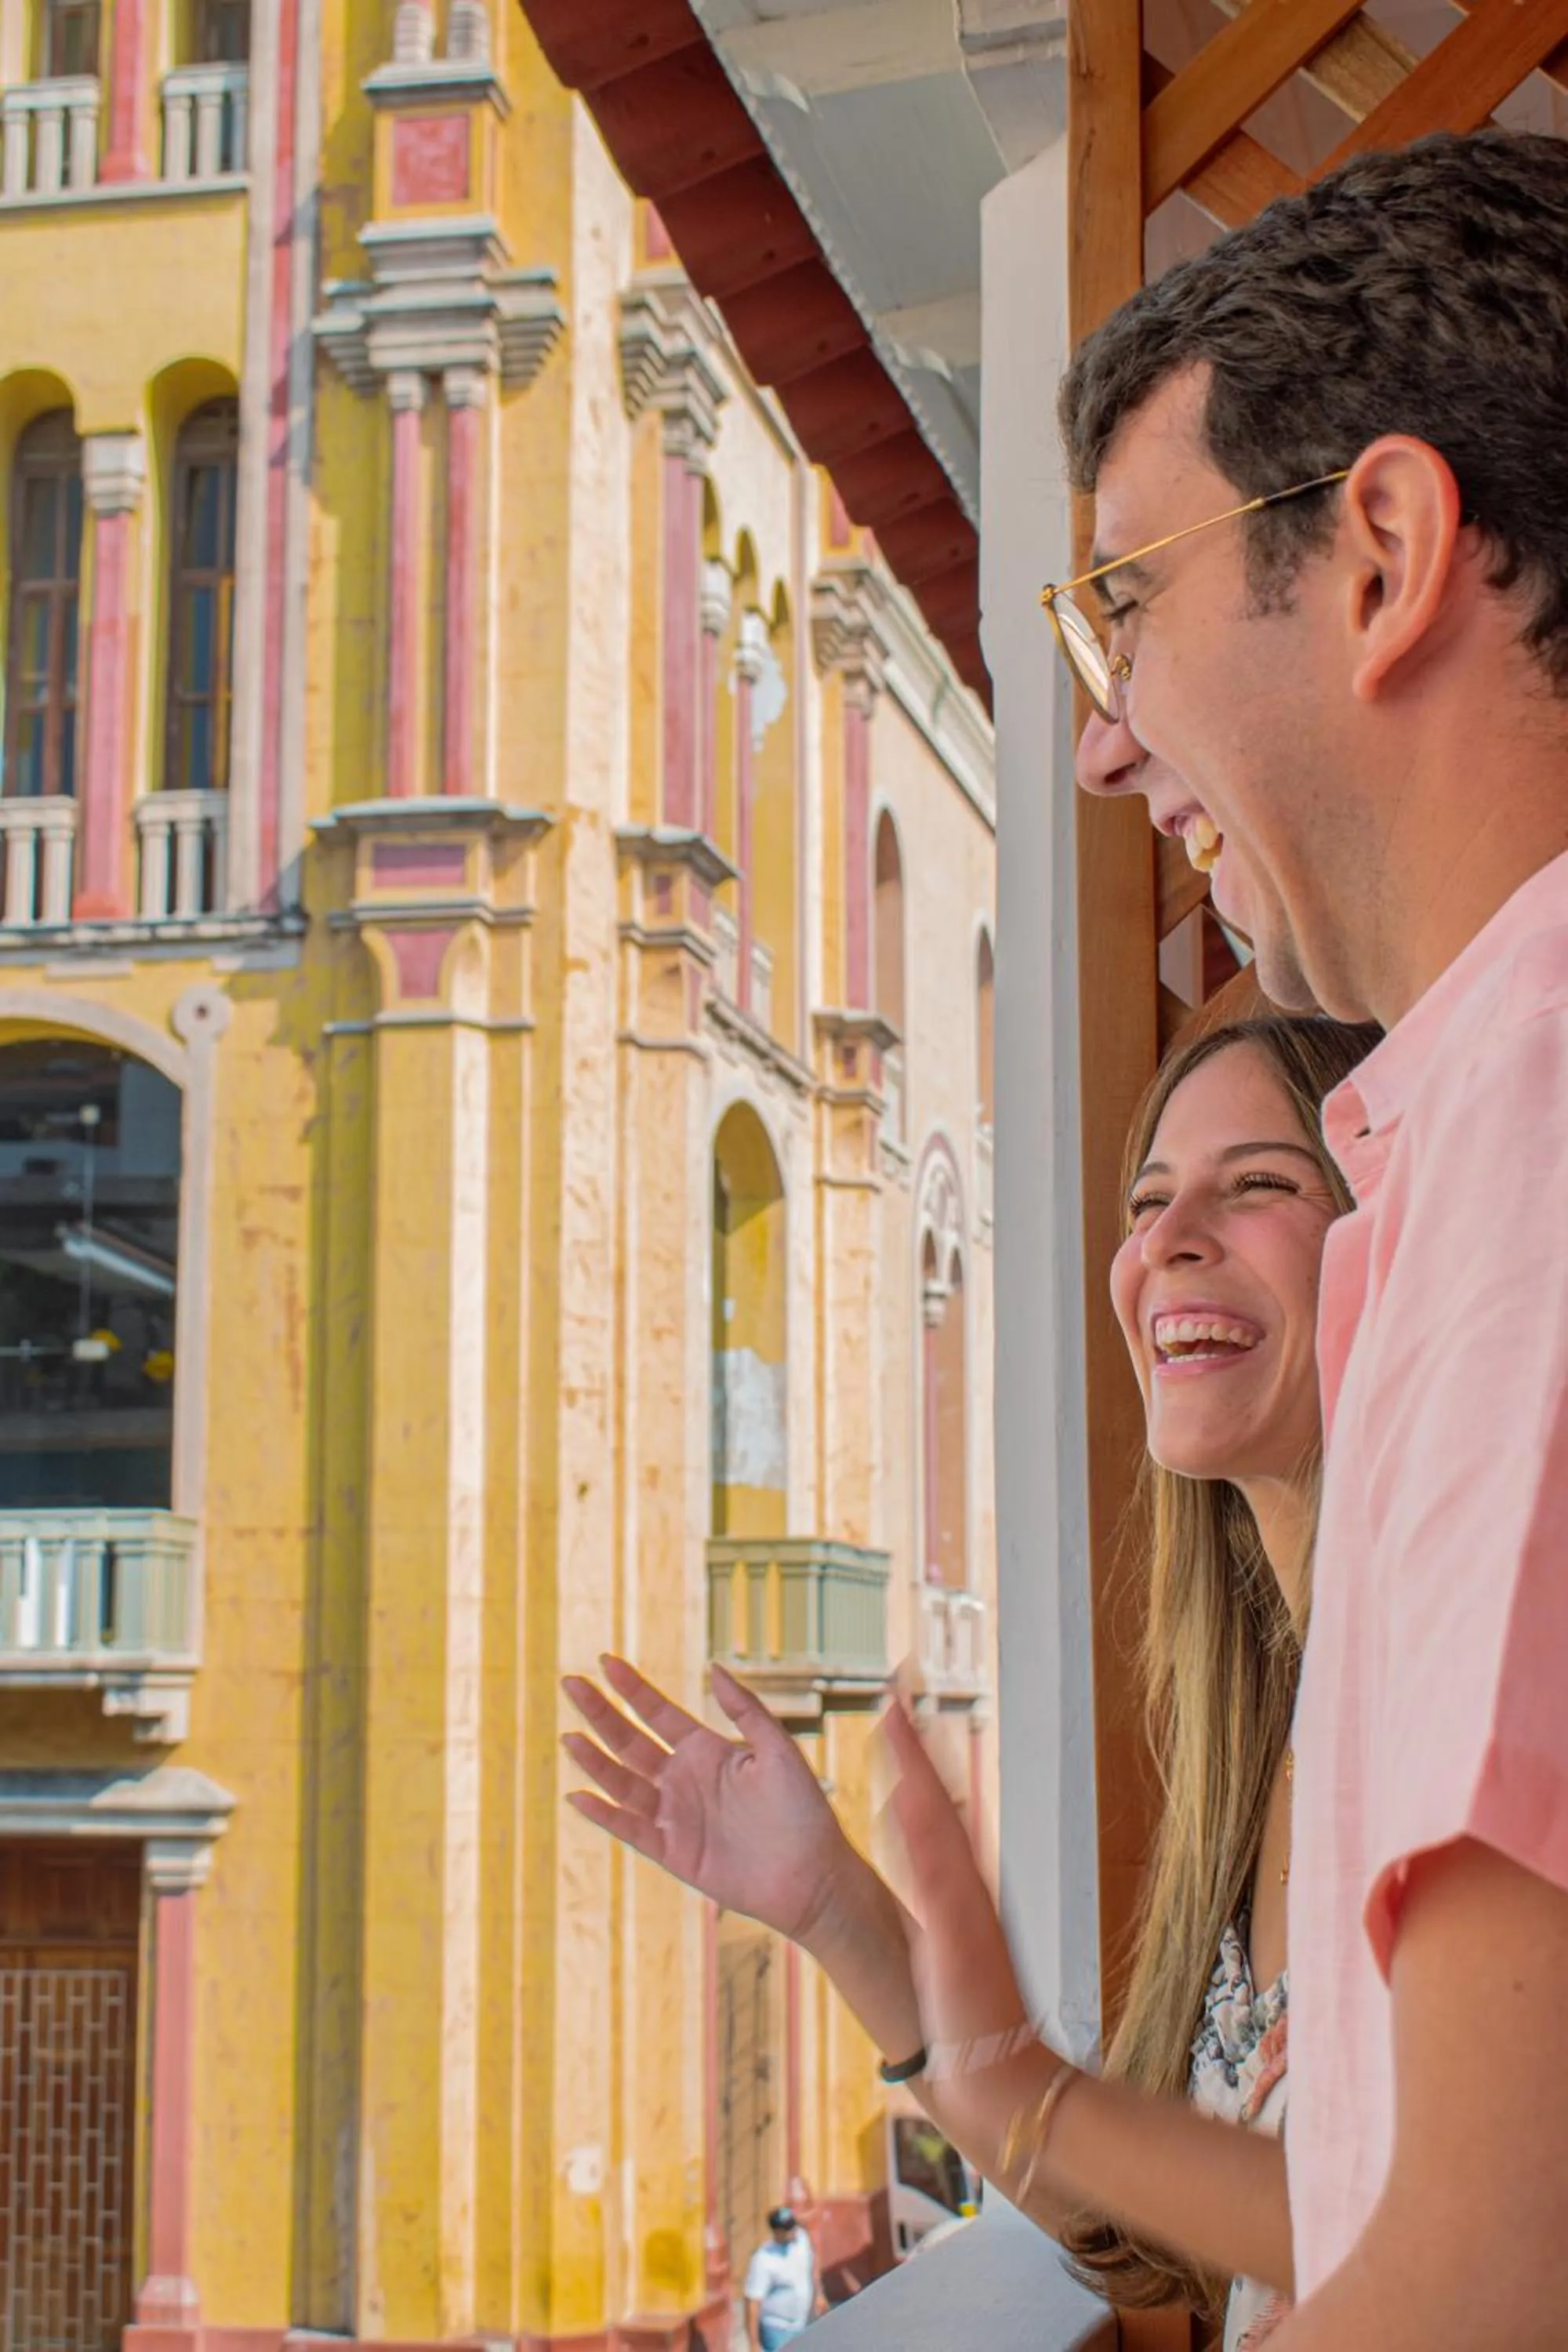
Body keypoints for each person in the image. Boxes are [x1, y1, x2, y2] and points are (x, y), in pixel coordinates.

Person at [1046, 125, 1568, 2348]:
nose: (1098, 739)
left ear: (1381, 549)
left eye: (1121, 605)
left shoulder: (1532, 1143)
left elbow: (1477, 2285)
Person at [563, 1014, 1375, 2344]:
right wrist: (836, 1911)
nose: (1164, 1241)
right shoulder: (1263, 1745)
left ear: (1394, 1233)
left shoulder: (1459, 1714)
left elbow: (1458, 2235)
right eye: (1149, 1200)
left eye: (1263, 1184)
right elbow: (1149, 2247)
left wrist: (1036, 2099)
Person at [742, 2205, 823, 2350]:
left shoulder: (802, 2240)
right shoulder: (764, 2259)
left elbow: (812, 2268)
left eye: (793, 2227)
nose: (793, 2232)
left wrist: (819, 2295)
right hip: (777, 2330)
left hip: (803, 2324)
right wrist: (753, 2343)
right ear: (777, 2232)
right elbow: (753, 2302)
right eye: (788, 2229)